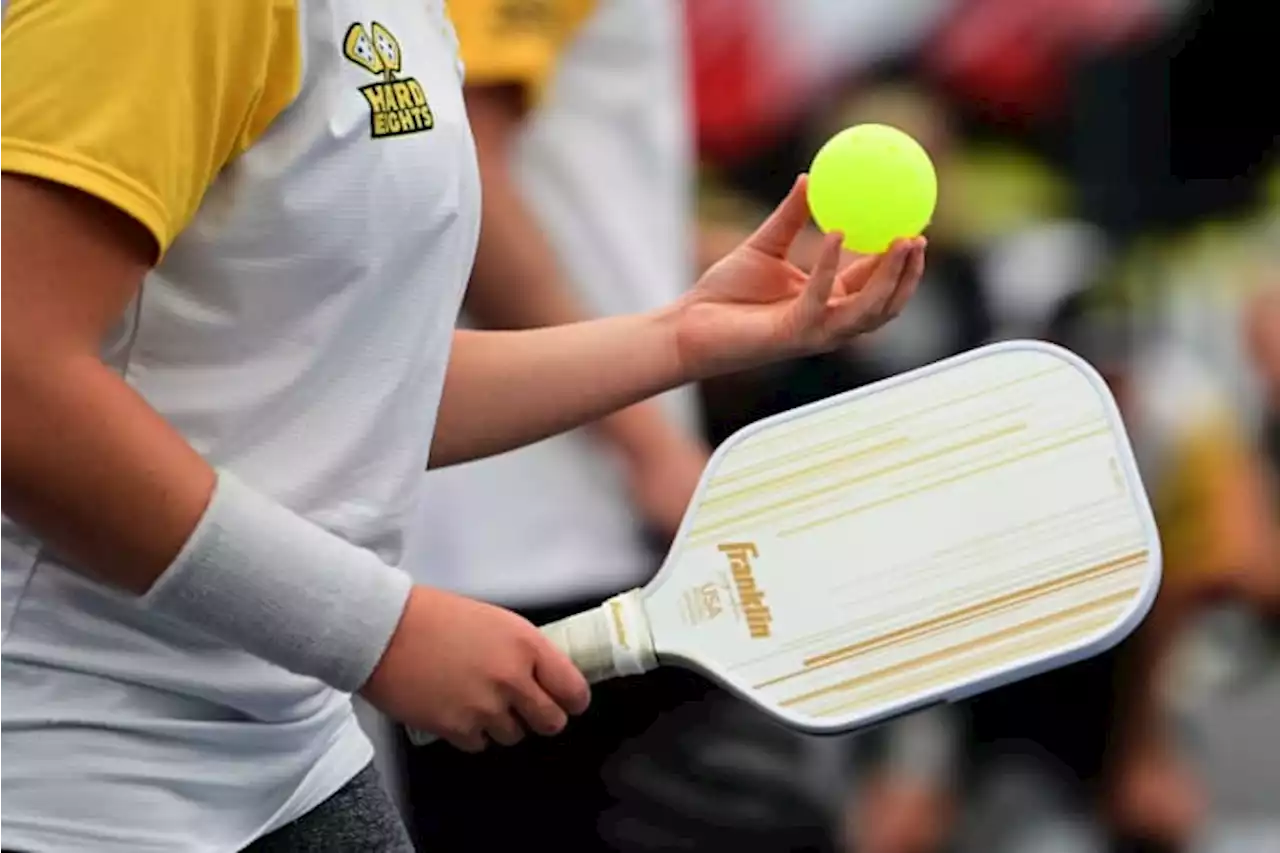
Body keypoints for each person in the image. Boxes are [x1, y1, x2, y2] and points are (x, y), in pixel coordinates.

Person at [0, 1, 926, 851]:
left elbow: (351, 386)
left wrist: (680, 337)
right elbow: (18, 381)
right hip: (70, 776)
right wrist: (380, 631)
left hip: (286, 751)